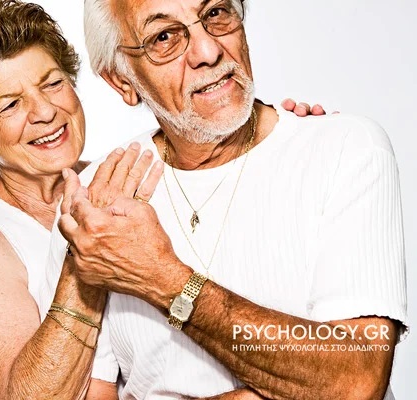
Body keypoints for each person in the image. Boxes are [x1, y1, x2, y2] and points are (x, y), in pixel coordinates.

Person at [0, 0, 327, 398]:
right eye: (10, 105)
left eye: (53, 83)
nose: (44, 111)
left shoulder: (123, 176)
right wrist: (90, 258)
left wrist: (282, 142)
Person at [50, 0, 409, 399]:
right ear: (122, 82)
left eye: (216, 12)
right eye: (164, 37)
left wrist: (164, 279)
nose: (208, 51)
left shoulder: (346, 149)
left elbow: (355, 381)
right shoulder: (97, 196)